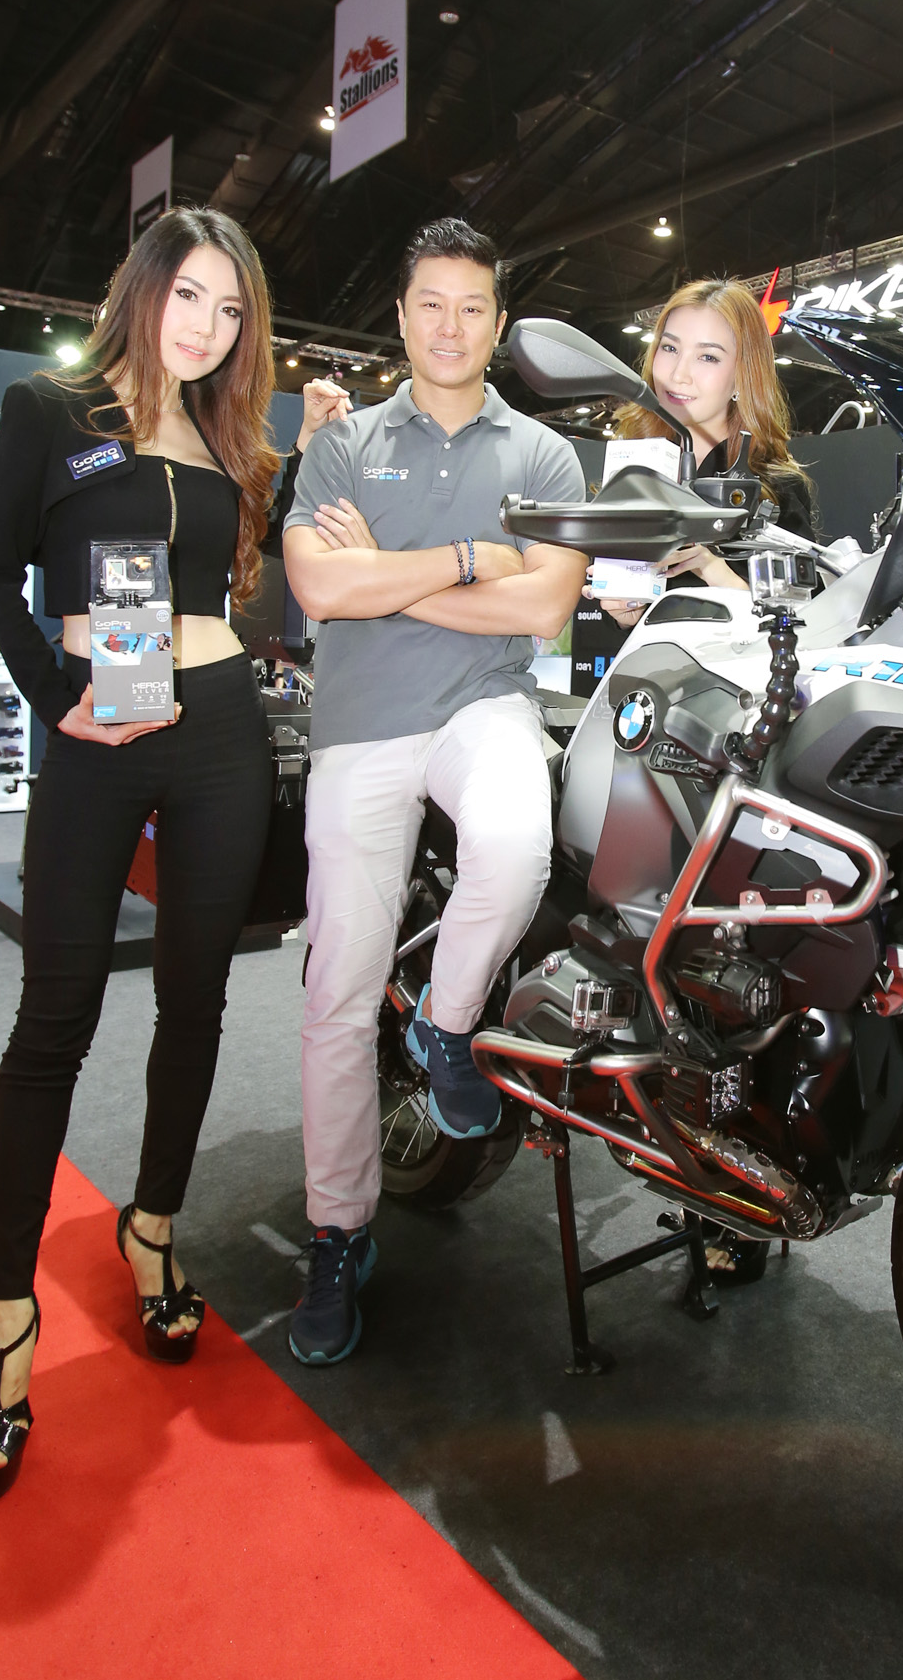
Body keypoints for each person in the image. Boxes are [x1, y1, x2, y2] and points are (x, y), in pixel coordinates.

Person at [0, 207, 347, 1500]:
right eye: (191, 297)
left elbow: (245, 587)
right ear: (144, 288)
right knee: (52, 1018)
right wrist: (54, 695)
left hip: (221, 725)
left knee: (197, 998)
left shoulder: (227, 437)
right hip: (99, 728)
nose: (208, 327)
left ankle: (154, 1224)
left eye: (232, 311)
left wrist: (308, 455)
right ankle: (7, 1319)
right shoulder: (49, 409)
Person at [281, 217, 587, 1367]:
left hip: (483, 704)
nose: (451, 327)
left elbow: (542, 608)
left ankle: (448, 1023)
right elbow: (317, 586)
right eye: (431, 305)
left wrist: (383, 577)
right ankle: (337, 1229)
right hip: (361, 723)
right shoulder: (344, 444)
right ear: (401, 317)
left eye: (472, 308)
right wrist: (467, 561)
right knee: (339, 989)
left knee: (516, 843)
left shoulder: (545, 457)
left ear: (497, 324)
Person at [601, 277, 818, 628]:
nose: (678, 374)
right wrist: (627, 615)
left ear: (742, 375)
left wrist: (714, 570)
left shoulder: (776, 487)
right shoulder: (633, 471)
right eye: (669, 348)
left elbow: (805, 622)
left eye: (707, 357)